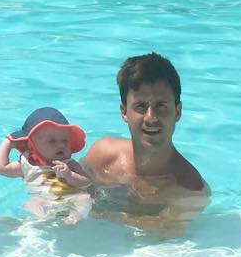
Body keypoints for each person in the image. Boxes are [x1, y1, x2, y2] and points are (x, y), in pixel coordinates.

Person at [83, 52, 210, 235]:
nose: (151, 118)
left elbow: (167, 235)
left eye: (161, 106)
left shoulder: (189, 189)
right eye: (141, 107)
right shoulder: (103, 156)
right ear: (124, 112)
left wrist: (111, 217)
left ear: (177, 112)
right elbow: (68, 190)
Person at [0, 107, 92, 224]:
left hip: (70, 197)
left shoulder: (70, 164)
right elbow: (1, 168)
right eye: (52, 141)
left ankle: (74, 217)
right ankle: (43, 220)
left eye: (65, 140)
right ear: (31, 145)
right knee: (31, 204)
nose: (61, 145)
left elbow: (87, 182)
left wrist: (69, 175)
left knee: (84, 198)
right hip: (42, 200)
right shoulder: (27, 165)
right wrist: (8, 142)